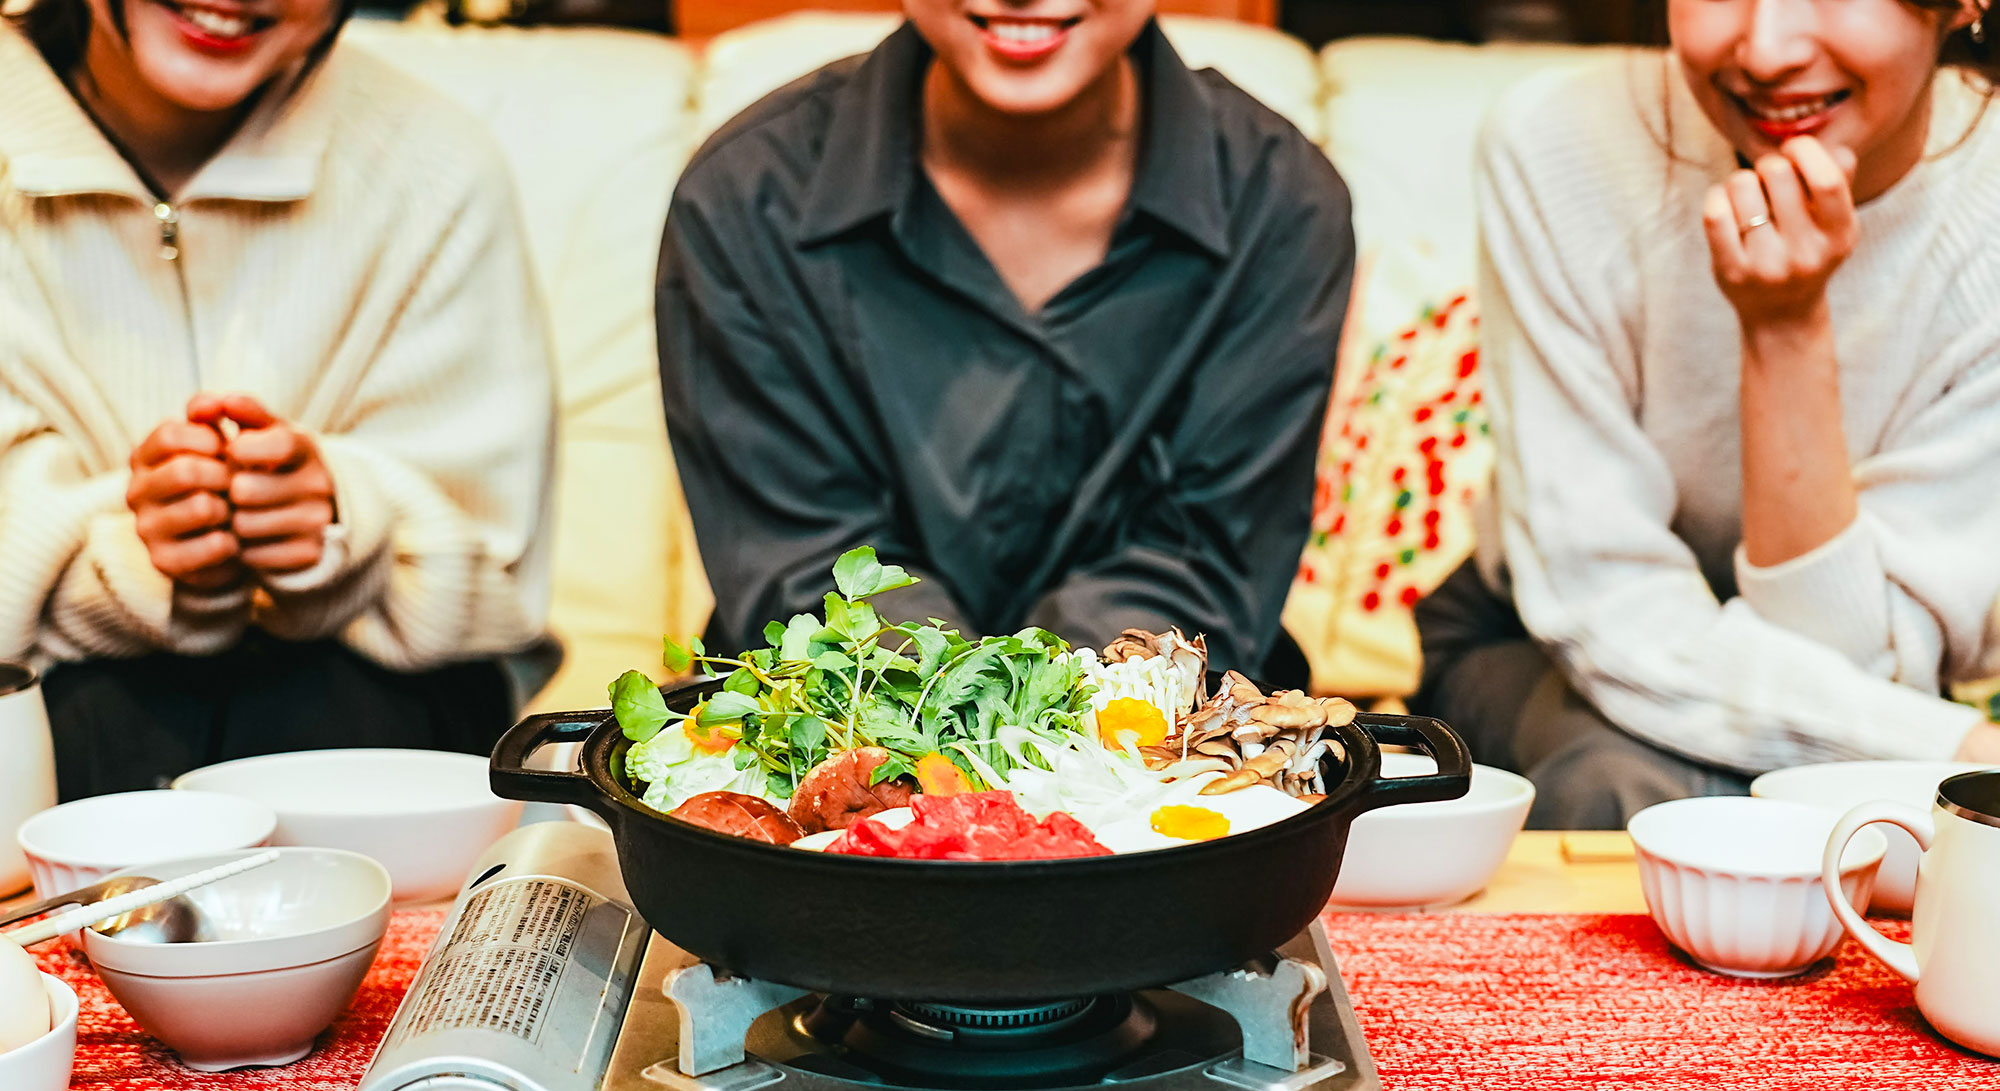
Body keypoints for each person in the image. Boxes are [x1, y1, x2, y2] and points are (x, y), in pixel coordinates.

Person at [1415, 0, 2000, 829]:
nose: (1763, 49)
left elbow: (1863, 663)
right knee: (1631, 795)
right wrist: (1954, 751)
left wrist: (1788, 329)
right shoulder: (1556, 144)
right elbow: (1600, 600)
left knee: (1833, 827)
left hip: (1874, 681)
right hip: (1546, 636)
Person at [656, 1, 1355, 682]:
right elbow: (804, 565)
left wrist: (1040, 749)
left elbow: (1203, 564)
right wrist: (965, 753)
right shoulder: (743, 199)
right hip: (837, 730)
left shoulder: (1280, 203)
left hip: (1156, 736)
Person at [1, 0, 559, 799]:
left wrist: (339, 513)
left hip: (363, 707)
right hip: (55, 705)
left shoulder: (435, 165)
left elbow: (496, 598)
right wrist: (132, 555)